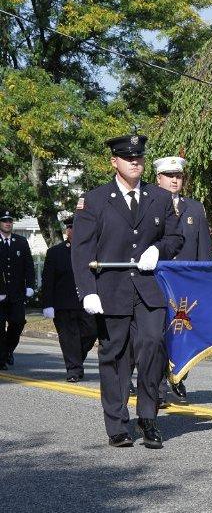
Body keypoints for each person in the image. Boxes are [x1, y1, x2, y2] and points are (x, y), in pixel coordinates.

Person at [72, 134, 183, 448]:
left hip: (148, 290)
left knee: (152, 348)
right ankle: (118, 425)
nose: (135, 162)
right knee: (116, 357)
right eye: (128, 157)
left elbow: (175, 238)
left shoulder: (158, 197)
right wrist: (87, 291)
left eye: (139, 158)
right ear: (114, 162)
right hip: (110, 289)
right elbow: (81, 251)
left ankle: (148, 418)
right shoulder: (94, 200)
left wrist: (158, 249)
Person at [154, 155, 212, 403]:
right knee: (157, 333)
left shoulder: (195, 208)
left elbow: (203, 249)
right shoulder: (150, 205)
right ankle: (156, 387)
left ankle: (178, 378)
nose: (174, 180)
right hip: (158, 280)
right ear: (158, 179)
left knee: (184, 331)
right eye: (169, 176)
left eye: (178, 176)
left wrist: (206, 280)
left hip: (186, 285)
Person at [41, 216, 97, 382]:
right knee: (68, 338)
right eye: (71, 227)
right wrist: (47, 304)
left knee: (91, 332)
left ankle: (75, 360)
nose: (74, 231)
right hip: (63, 304)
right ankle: (74, 370)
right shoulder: (55, 252)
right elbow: (48, 280)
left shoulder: (92, 250)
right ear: (67, 230)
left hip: (86, 302)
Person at [0, 209, 36, 370]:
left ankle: (8, 350)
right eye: (4, 221)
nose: (8, 223)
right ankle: (1, 359)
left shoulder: (21, 241)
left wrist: (30, 286)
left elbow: (29, 265)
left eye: (10, 221)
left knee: (18, 322)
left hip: (16, 294)